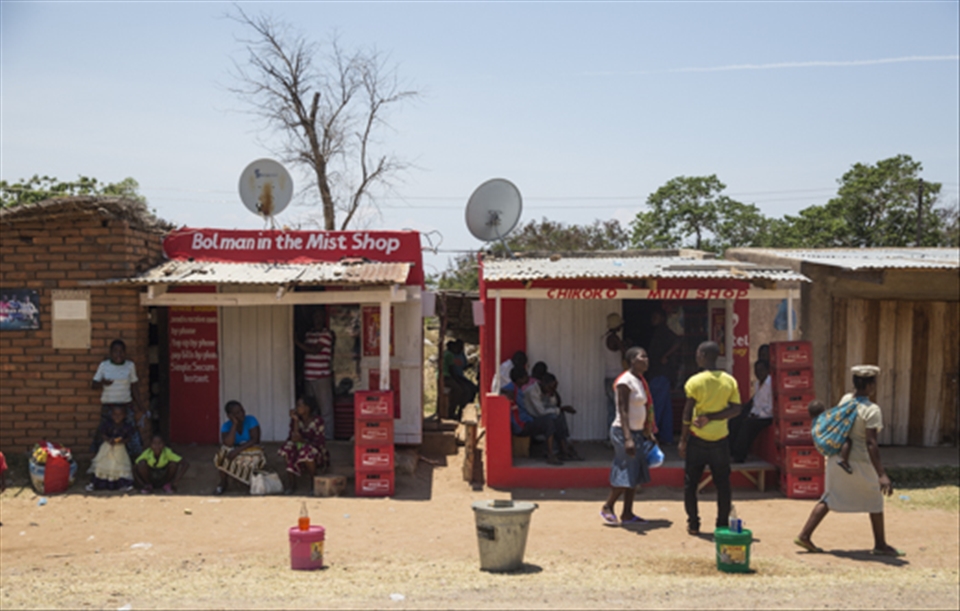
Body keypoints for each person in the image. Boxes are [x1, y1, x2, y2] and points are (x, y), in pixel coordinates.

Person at [795, 365, 902, 556]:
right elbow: (871, 443)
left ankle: (804, 535)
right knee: (875, 500)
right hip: (859, 461)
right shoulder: (872, 410)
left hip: (836, 459)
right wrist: (882, 474)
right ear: (870, 385)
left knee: (829, 497)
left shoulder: (846, 400)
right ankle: (880, 544)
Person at [679, 341, 741, 536]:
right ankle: (721, 524)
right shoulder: (729, 381)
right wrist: (713, 417)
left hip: (697, 440)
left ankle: (694, 523)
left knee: (691, 484)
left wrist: (683, 439)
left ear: (703, 355)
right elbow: (736, 409)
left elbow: (687, 414)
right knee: (723, 484)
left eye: (698, 353)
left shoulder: (694, 381)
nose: (696, 356)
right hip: (720, 440)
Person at [601, 346, 656, 526]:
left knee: (635, 473)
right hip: (623, 432)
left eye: (647, 356)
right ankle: (608, 506)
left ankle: (628, 513)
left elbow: (643, 408)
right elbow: (623, 411)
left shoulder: (639, 380)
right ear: (632, 360)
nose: (646, 360)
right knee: (626, 470)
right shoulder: (625, 381)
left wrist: (647, 431)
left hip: (638, 432)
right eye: (642, 357)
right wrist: (628, 438)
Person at [91, 339, 146, 457]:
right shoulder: (104, 365)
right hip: (109, 407)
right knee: (105, 434)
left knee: (130, 434)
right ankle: (101, 462)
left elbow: (134, 387)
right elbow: (93, 385)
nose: (118, 354)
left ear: (125, 353)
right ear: (110, 353)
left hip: (125, 405)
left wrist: (141, 406)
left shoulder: (130, 366)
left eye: (121, 352)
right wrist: (102, 383)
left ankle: (133, 462)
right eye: (115, 351)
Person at [296, 306, 336, 440]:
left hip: (322, 377)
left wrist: (296, 343)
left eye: (320, 317)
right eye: (315, 317)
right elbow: (307, 356)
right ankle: (313, 436)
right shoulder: (309, 334)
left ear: (324, 319)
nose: (317, 320)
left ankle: (329, 438)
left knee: (326, 410)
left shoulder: (327, 334)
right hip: (309, 376)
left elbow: (314, 350)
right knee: (311, 409)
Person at [524, 372, 582, 462]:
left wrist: (553, 394)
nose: (552, 389)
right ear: (543, 383)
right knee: (553, 417)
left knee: (558, 415)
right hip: (532, 417)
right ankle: (555, 451)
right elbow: (541, 412)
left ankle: (564, 448)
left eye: (554, 387)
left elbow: (554, 405)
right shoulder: (532, 392)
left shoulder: (548, 391)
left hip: (543, 415)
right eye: (550, 387)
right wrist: (561, 409)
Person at [278, 395, 330, 494]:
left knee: (306, 450)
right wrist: (296, 421)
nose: (297, 408)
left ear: (307, 408)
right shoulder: (296, 420)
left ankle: (313, 484)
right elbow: (293, 437)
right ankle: (292, 484)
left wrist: (303, 441)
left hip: (316, 452)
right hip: (299, 449)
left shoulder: (318, 421)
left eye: (299, 405)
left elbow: (319, 442)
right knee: (287, 448)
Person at [214, 400, 266, 495]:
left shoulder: (251, 420)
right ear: (230, 416)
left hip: (251, 449)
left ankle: (248, 483)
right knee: (222, 454)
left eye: (242, 411)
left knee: (253, 458)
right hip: (237, 450)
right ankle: (223, 483)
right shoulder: (226, 426)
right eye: (237, 413)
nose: (241, 414)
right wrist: (234, 425)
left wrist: (237, 450)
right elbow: (228, 444)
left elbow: (255, 440)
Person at [727, 360, 773, 463]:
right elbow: (755, 401)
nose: (758, 373)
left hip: (766, 416)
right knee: (734, 421)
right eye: (756, 371)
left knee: (747, 425)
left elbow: (771, 407)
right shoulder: (757, 384)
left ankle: (739, 455)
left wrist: (756, 415)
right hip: (755, 413)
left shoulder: (771, 385)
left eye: (761, 370)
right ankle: (729, 452)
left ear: (767, 371)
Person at [647, 309, 682, 444]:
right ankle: (667, 437)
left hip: (660, 374)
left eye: (655, 316)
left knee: (655, 407)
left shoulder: (664, 331)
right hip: (664, 374)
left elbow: (678, 341)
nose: (653, 319)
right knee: (666, 408)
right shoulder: (658, 332)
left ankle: (651, 436)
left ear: (662, 318)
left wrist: (666, 356)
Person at [85, 405, 136, 492]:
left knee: (119, 466)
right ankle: (95, 484)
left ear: (125, 415)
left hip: (120, 450)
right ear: (111, 415)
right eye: (115, 414)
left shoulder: (127, 426)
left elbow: (129, 438)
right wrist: (109, 439)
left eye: (120, 414)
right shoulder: (107, 424)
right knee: (103, 465)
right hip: (106, 448)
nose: (117, 417)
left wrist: (120, 441)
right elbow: (103, 434)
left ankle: (123, 484)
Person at [807, 399, 853, 474]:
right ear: (824, 410)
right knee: (847, 440)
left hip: (823, 448)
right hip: (831, 443)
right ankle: (844, 460)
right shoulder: (826, 418)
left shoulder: (814, 424)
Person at [603, 313, 626, 436]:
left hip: (608, 376)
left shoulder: (604, 338)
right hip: (616, 377)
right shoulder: (614, 338)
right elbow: (625, 352)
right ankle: (617, 437)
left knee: (611, 409)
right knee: (619, 409)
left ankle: (610, 438)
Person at [442, 339, 477, 421]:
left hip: (458, 376)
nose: (460, 349)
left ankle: (464, 410)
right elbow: (451, 371)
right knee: (460, 390)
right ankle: (453, 412)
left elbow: (463, 367)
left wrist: (471, 365)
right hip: (450, 376)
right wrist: (460, 381)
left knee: (473, 389)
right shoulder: (449, 354)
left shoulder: (461, 354)